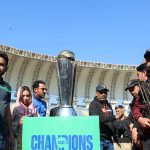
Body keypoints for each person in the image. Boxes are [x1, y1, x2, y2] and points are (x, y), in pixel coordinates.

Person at [89, 83, 117, 150]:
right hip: (98, 139)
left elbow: (112, 121)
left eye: (105, 92)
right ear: (96, 93)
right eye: (101, 92)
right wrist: (114, 117)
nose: (104, 94)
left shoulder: (108, 105)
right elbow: (98, 119)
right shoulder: (93, 104)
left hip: (109, 139)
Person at [11, 86, 37, 150]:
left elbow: (37, 125)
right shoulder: (14, 107)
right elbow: (9, 123)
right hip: (15, 139)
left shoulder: (33, 109)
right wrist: (18, 123)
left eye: (27, 95)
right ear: (19, 96)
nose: (25, 98)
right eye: (23, 96)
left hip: (29, 139)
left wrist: (30, 122)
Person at [0, 51, 13, 150]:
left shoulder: (7, 87)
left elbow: (7, 110)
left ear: (6, 68)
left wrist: (10, 134)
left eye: (1, 65)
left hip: (2, 136)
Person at [125, 79, 143, 150]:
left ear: (138, 86)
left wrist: (135, 127)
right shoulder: (133, 103)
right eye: (129, 90)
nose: (131, 92)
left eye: (133, 88)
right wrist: (130, 124)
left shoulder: (145, 98)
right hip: (136, 138)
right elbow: (129, 118)